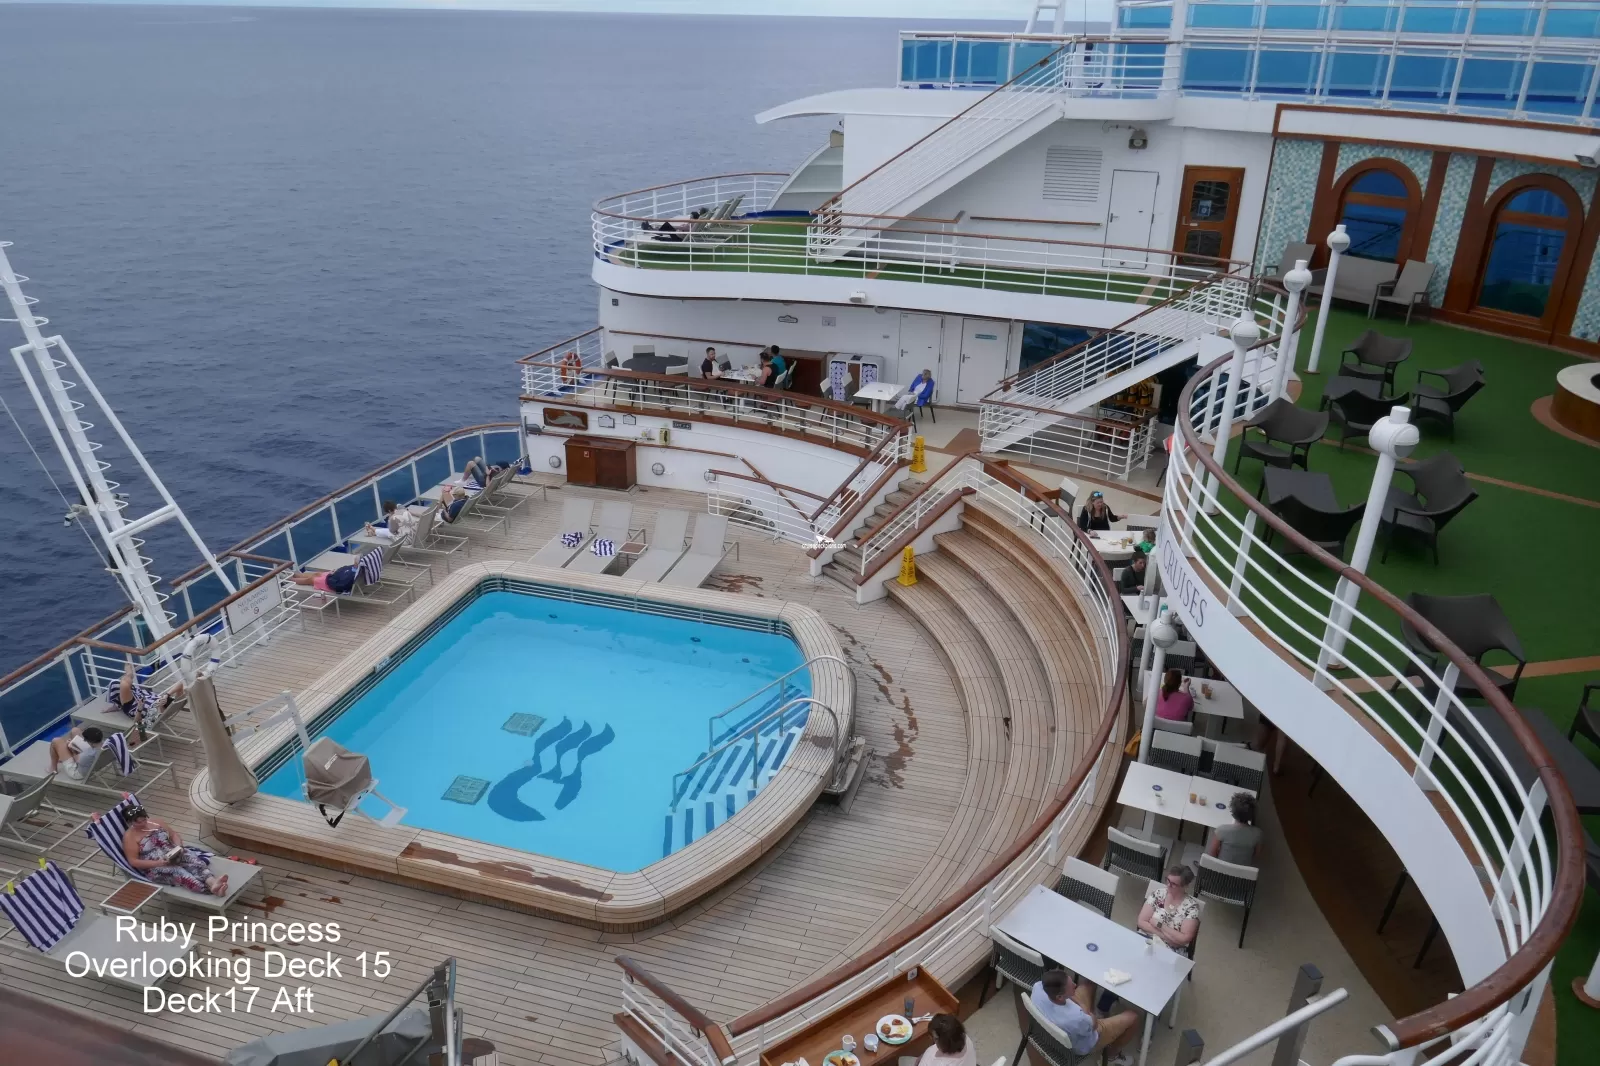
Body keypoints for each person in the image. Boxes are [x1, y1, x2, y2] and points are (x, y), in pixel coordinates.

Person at [117, 800, 229, 897]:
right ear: (130, 822)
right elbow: (133, 861)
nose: (143, 823)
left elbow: (173, 835)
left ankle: (212, 882)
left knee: (194, 861)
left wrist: (179, 846)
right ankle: (212, 890)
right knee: (180, 872)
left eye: (144, 819)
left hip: (173, 853)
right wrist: (158, 863)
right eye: (139, 822)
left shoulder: (156, 822)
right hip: (155, 867)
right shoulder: (130, 837)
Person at [1029, 969, 1140, 1065]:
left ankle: (1097, 1012)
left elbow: (1072, 1002)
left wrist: (1077, 1001)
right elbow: (1094, 1024)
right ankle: (1112, 1056)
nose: (1075, 985)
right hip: (1086, 1039)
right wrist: (1084, 1008)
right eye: (1071, 986)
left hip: (1063, 1021)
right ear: (1060, 997)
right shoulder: (1078, 1018)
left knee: (1090, 982)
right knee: (1133, 1016)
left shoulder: (1038, 987)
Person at [107, 661, 184, 742]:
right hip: (141, 696)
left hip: (133, 706)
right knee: (120, 683)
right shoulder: (175, 702)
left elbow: (137, 722)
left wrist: (141, 708)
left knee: (123, 683)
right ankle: (129, 676)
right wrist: (166, 695)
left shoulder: (158, 713)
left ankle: (129, 675)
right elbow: (180, 684)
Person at [1137, 864, 1201, 955]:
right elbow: (1141, 921)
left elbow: (1184, 939)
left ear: (1185, 886)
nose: (1168, 885)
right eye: (1168, 880)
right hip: (1145, 938)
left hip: (1171, 950)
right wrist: (1166, 937)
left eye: (1174, 884)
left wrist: (1159, 925)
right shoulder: (1159, 893)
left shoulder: (1191, 907)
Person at [1208, 792, 1263, 865]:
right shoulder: (1258, 833)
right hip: (1241, 871)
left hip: (1220, 869)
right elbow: (1256, 854)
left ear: (1233, 812)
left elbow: (1212, 853)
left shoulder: (1221, 830)